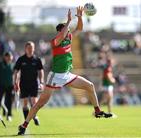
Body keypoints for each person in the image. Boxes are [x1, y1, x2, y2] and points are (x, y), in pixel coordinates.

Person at [17, 7, 112, 135]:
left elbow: (79, 29)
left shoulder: (69, 38)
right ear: (60, 31)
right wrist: (68, 21)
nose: (68, 31)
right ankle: (24, 125)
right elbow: (62, 34)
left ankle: (97, 111)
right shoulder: (55, 42)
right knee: (40, 104)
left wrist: (79, 17)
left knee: (90, 86)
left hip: (67, 75)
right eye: (65, 29)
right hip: (55, 76)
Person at [13, 41, 44, 126]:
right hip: (23, 84)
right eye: (28, 48)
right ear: (25, 49)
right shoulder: (21, 59)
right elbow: (16, 71)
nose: (30, 50)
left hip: (34, 83)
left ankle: (34, 116)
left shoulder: (37, 59)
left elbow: (41, 70)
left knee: (34, 103)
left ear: (34, 49)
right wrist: (16, 82)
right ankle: (27, 121)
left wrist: (41, 82)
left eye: (32, 48)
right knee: (25, 103)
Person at [0, 52, 14, 121]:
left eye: (10, 57)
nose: (9, 58)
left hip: (10, 86)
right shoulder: (0, 64)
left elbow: (15, 75)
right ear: (5, 57)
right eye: (8, 57)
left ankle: (9, 115)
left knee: (9, 101)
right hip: (1, 85)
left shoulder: (13, 65)